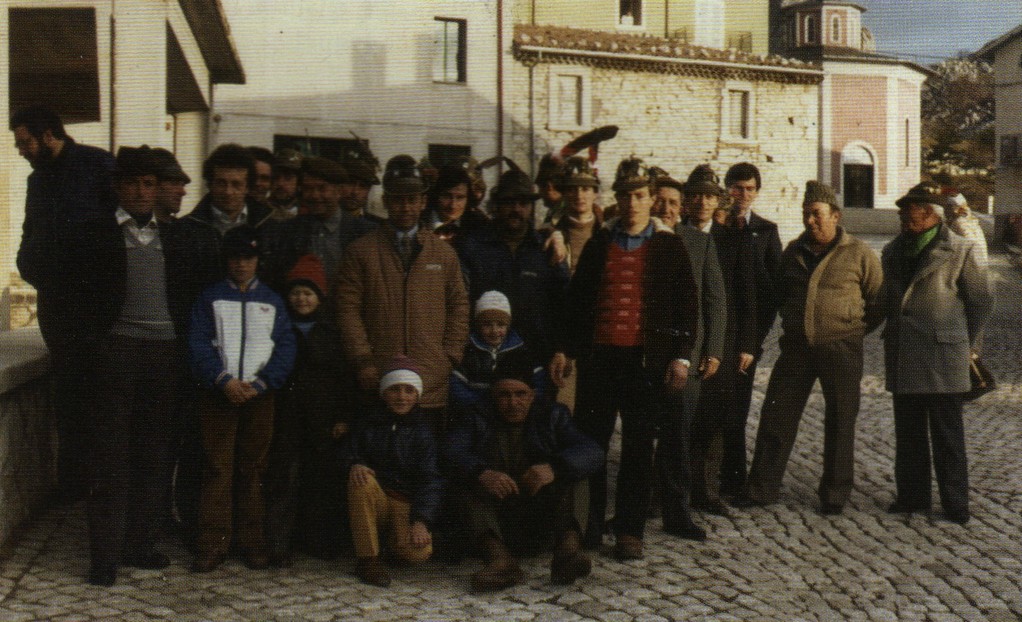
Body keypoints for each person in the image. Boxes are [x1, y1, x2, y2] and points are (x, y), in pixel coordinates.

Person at [69, 146, 221, 586]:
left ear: (158, 190)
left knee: (154, 455)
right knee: (110, 457)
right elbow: (75, 300)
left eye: (148, 184)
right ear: (118, 187)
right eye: (132, 183)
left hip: (165, 357)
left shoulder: (177, 237)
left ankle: (140, 543)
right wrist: (93, 349)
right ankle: (105, 555)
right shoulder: (93, 234)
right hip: (115, 354)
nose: (140, 192)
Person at [553, 157, 699, 559]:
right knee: (592, 446)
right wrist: (566, 349)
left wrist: (680, 358)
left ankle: (630, 530)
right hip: (600, 362)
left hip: (643, 364)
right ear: (616, 199)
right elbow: (577, 303)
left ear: (652, 199)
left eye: (639, 195)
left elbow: (687, 308)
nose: (632, 203)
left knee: (637, 449)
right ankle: (590, 526)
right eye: (625, 196)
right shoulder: (601, 244)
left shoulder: (669, 246)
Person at [736, 181, 883, 514]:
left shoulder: (859, 252)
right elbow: (778, 294)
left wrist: (851, 329)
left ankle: (834, 494)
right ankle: (761, 488)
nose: (810, 222)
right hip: (797, 350)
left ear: (835, 215)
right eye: (806, 215)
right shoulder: (792, 251)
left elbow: (878, 300)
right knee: (776, 417)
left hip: (841, 350)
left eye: (816, 214)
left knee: (840, 421)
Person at [11, 105, 116, 502]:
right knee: (69, 400)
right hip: (59, 309)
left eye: (25, 142)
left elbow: (114, 233)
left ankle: (103, 490)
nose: (21, 150)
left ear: (49, 134)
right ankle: (73, 490)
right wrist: (35, 269)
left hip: (98, 309)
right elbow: (29, 235)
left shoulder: (98, 166)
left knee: (102, 400)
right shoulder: (39, 181)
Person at [881, 182, 993, 525]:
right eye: (901, 210)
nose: (902, 216)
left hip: (945, 355)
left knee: (947, 433)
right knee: (909, 430)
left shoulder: (960, 249)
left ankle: (955, 502)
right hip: (904, 351)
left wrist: (965, 343)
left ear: (930, 214)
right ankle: (912, 496)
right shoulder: (892, 250)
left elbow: (980, 302)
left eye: (909, 210)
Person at [189, 226, 297, 572]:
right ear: (226, 260)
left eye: (247, 258)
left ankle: (252, 541)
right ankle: (213, 544)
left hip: (258, 395)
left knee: (254, 469)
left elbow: (285, 347)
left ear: (257, 261)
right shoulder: (211, 298)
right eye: (235, 258)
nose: (241, 264)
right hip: (219, 393)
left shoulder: (272, 301)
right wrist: (221, 380)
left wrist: (263, 382)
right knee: (217, 467)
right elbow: (198, 343)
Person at [336, 155, 469, 432]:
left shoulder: (443, 254)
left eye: (412, 199)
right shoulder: (362, 251)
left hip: (430, 381)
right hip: (380, 379)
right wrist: (363, 361)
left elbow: (458, 305)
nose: (405, 207)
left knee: (426, 461)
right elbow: (348, 309)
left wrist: (449, 357)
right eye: (397, 199)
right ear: (386, 202)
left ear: (423, 202)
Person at [445, 368, 603, 591]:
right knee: (466, 484)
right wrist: (481, 472)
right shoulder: (475, 416)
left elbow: (592, 451)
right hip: (497, 521)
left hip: (540, 515)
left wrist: (554, 468)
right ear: (493, 396)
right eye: (504, 395)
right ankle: (500, 561)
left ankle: (568, 552)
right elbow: (451, 452)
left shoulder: (553, 415)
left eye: (520, 394)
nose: (513, 403)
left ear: (532, 395)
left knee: (575, 473)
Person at [265, 254, 356, 566]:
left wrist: (344, 415)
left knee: (321, 479)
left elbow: (345, 377)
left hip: (323, 416)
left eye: (308, 293)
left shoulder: (331, 332)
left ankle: (319, 540)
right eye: (296, 293)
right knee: (284, 477)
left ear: (320, 296)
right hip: (286, 415)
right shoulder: (279, 328)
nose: (301, 299)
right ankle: (279, 542)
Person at [653, 167, 726, 539]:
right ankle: (639, 505)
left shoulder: (699, 243)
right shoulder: (633, 240)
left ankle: (677, 512)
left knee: (678, 434)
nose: (665, 208)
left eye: (672, 203)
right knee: (640, 433)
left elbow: (715, 299)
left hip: (686, 353)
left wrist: (713, 349)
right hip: (642, 353)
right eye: (659, 201)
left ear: (680, 207)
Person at [684, 165, 757, 516]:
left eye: (708, 196)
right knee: (679, 413)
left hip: (723, 339)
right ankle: (669, 487)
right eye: (695, 195)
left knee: (714, 415)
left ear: (718, 202)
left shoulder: (732, 239)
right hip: (684, 339)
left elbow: (746, 295)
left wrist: (746, 344)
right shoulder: (675, 236)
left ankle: (706, 488)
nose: (701, 202)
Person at [458, 165, 570, 376]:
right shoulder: (473, 247)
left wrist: (561, 350)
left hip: (537, 359)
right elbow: (459, 303)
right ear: (497, 205)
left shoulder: (547, 249)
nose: (516, 209)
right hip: (484, 359)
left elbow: (563, 303)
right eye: (509, 202)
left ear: (531, 207)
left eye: (523, 203)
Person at [343, 357, 441, 587]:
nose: (401, 397)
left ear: (417, 395)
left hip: (403, 502)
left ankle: (391, 545)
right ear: (384, 393)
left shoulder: (423, 431)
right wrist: (354, 463)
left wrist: (421, 520)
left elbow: (431, 479)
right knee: (361, 479)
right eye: (395, 389)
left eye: (409, 390)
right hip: (375, 498)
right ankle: (369, 559)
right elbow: (348, 449)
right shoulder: (368, 422)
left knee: (418, 553)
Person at [720, 162, 782, 496]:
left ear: (757, 192)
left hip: (746, 335)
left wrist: (754, 339)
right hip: (717, 329)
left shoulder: (766, 231)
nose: (742, 195)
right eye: (736, 187)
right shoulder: (716, 226)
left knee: (736, 407)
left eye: (749, 189)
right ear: (726, 187)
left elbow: (772, 291)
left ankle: (732, 476)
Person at [266, 155, 377, 292]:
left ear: (339, 191)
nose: (314, 195)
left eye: (322, 189)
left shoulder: (364, 233)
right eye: (308, 189)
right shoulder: (287, 231)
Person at [450, 290, 545, 411]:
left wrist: (526, 402)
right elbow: (456, 385)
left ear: (508, 326)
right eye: (487, 325)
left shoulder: (520, 350)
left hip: (514, 409)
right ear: (478, 326)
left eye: (500, 325)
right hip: (477, 410)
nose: (494, 331)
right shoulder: (469, 351)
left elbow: (539, 381)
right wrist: (480, 404)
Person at [187, 143, 273, 237]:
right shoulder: (186, 230)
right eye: (221, 183)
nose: (228, 192)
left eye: (236, 185)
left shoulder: (270, 226)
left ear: (247, 187)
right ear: (210, 185)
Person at [420, 164, 490, 248]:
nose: (453, 205)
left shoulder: (479, 224)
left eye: (460, 197)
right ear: (436, 195)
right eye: (447, 196)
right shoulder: (419, 221)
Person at [338, 140, 384, 223]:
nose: (355, 192)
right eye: (350, 183)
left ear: (369, 190)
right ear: (338, 184)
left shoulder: (378, 228)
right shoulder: (318, 223)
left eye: (363, 186)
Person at [150, 147, 191, 221]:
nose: (183, 192)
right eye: (174, 184)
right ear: (153, 185)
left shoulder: (185, 230)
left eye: (183, 185)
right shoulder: (130, 229)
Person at [267, 148, 303, 221]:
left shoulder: (308, 212)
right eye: (276, 177)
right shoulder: (260, 211)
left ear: (299, 182)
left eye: (288, 178)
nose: (280, 183)